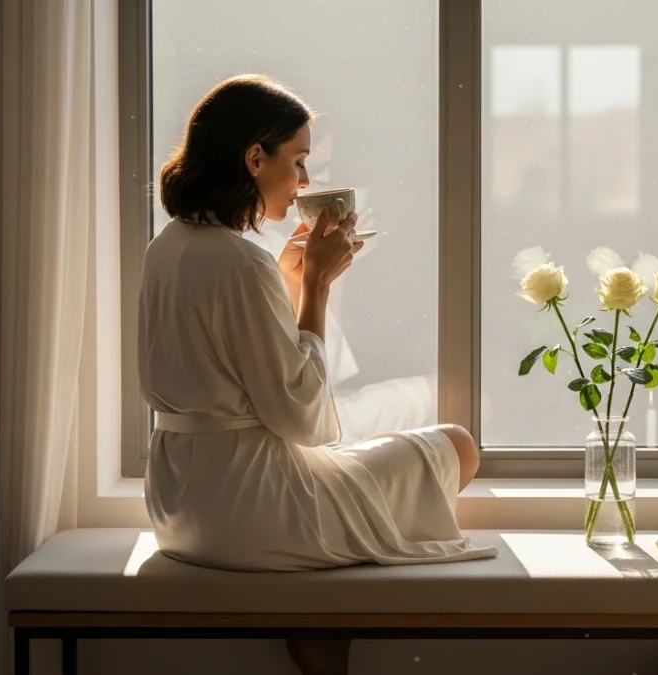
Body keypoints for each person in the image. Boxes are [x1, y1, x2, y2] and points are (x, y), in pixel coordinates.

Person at [138, 74, 498, 675]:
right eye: (298, 161)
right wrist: (317, 289)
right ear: (255, 157)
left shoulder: (168, 246)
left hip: (177, 504)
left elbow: (232, 360)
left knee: (386, 455)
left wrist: (290, 274)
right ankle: (322, 615)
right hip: (248, 511)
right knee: (458, 445)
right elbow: (303, 419)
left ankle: (324, 618)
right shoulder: (240, 261)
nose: (305, 183)